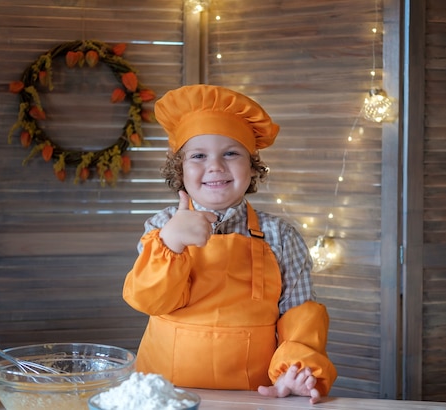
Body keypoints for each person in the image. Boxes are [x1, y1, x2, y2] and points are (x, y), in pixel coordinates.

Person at [123, 84, 337, 404]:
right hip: (164, 392)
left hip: (252, 395)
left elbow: (299, 314)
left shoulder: (281, 235)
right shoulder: (161, 228)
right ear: (179, 168)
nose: (216, 166)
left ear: (252, 168)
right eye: (198, 155)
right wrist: (171, 244)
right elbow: (150, 301)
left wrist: (296, 370)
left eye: (231, 153)